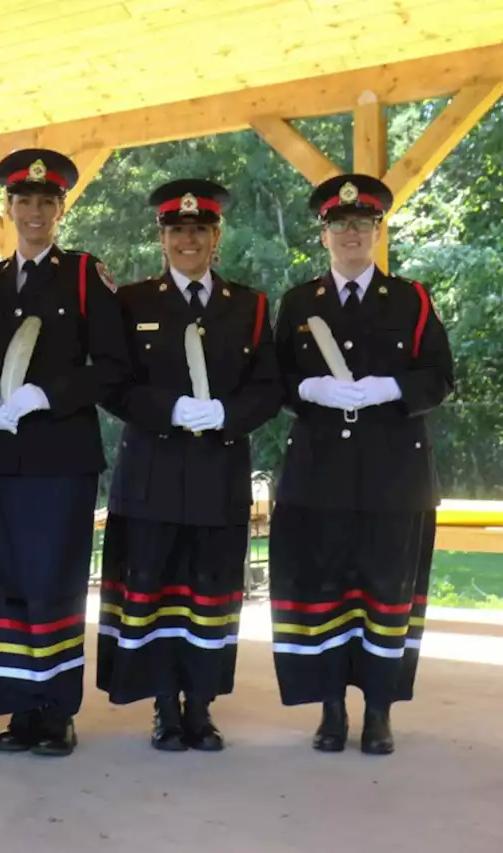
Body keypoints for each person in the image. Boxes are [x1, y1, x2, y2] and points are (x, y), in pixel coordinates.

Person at [270, 173, 453, 755]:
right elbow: (275, 380)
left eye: (362, 223)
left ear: (377, 230)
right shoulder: (300, 302)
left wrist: (388, 388)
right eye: (339, 224)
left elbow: (440, 378)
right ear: (323, 234)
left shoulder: (412, 299)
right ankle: (330, 711)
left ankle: (378, 711)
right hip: (319, 476)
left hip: (393, 477)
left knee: (385, 593)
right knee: (323, 590)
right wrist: (312, 391)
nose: (351, 233)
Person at [98, 179, 281, 751]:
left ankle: (199, 707)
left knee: (210, 592)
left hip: (217, 472)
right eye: (177, 230)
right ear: (163, 238)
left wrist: (226, 413)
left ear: (215, 236)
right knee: (153, 590)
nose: (188, 240)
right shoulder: (131, 302)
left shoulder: (248, 306)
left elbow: (269, 387)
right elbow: (113, 382)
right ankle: (163, 708)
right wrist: (169, 409)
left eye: (199, 230)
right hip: (152, 469)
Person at [0, 150, 129, 756]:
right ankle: (16, 706)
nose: (35, 211)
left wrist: (46, 395)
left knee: (53, 581)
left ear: (61, 209)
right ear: (9, 207)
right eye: (24, 201)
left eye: (47, 201)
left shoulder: (86, 275)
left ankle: (55, 709)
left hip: (60, 456)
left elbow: (113, 365)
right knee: (0, 580)